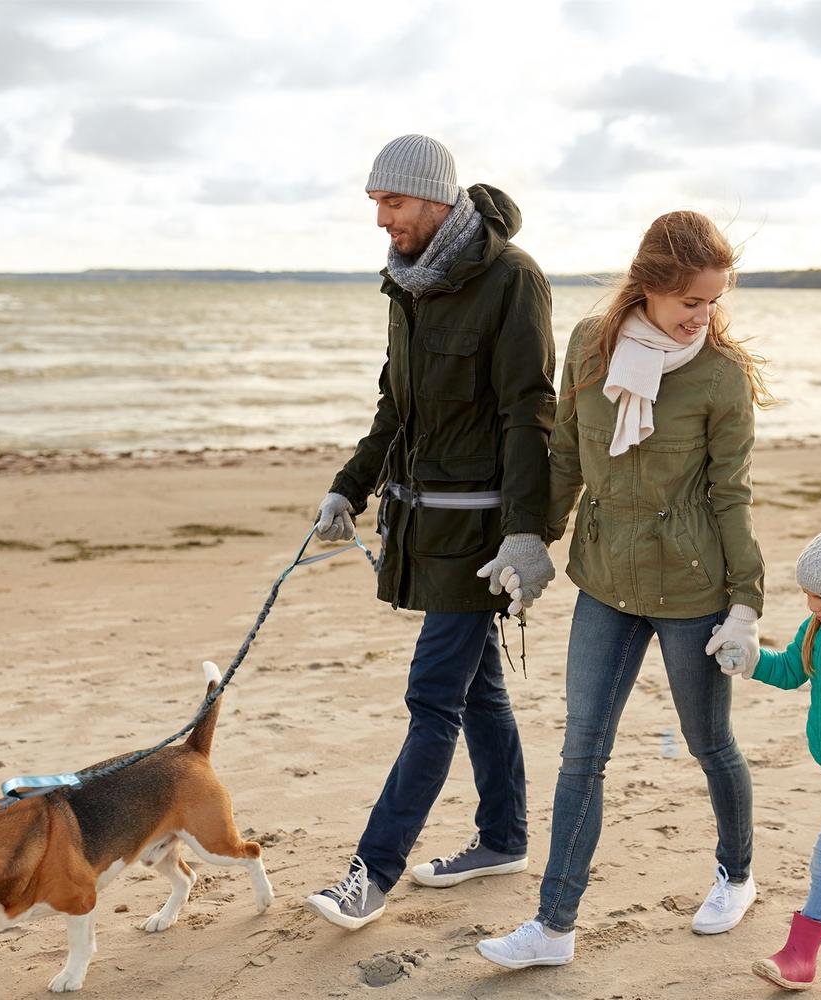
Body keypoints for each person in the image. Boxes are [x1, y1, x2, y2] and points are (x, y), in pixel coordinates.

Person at [478, 210, 773, 970]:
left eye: (712, 302)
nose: (700, 318)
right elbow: (568, 457)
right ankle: (554, 926)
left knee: (711, 744)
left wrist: (745, 605)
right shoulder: (590, 343)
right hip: (606, 578)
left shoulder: (721, 375)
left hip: (694, 587)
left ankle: (737, 875)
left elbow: (731, 495)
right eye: (689, 303)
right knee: (583, 751)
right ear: (648, 286)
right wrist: (532, 539)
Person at [304, 134, 557, 930]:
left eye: (395, 202)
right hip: (422, 526)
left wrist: (528, 534)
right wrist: (349, 487)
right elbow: (396, 409)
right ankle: (505, 837)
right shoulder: (406, 285)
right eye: (376, 203)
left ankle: (370, 875)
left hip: (480, 537)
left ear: (437, 199)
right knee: (478, 692)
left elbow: (529, 414)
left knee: (431, 698)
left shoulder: (512, 280)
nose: (382, 219)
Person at [715, 519, 821, 992]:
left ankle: (801, 956)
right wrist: (749, 662)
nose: (812, 605)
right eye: (807, 594)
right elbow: (792, 670)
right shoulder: (819, 628)